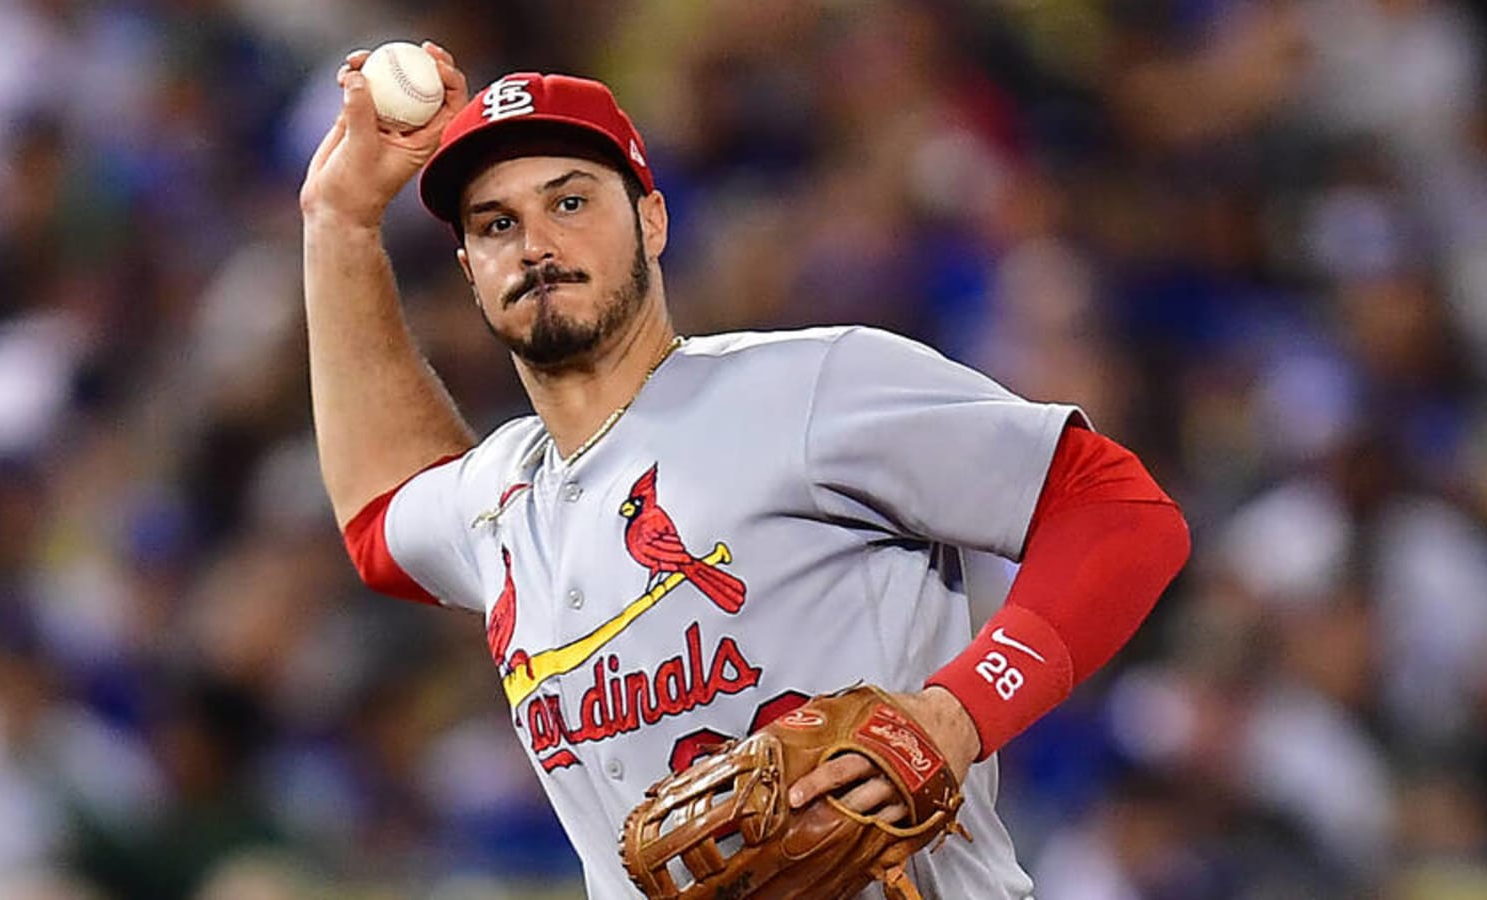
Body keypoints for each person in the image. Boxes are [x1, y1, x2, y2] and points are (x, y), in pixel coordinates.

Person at [300, 41, 1190, 900]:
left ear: (652, 220)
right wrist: (339, 225)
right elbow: (380, 515)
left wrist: (957, 715)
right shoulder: (498, 498)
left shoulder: (808, 384)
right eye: (498, 224)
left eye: (570, 203)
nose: (534, 243)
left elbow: (1117, 509)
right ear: (469, 270)